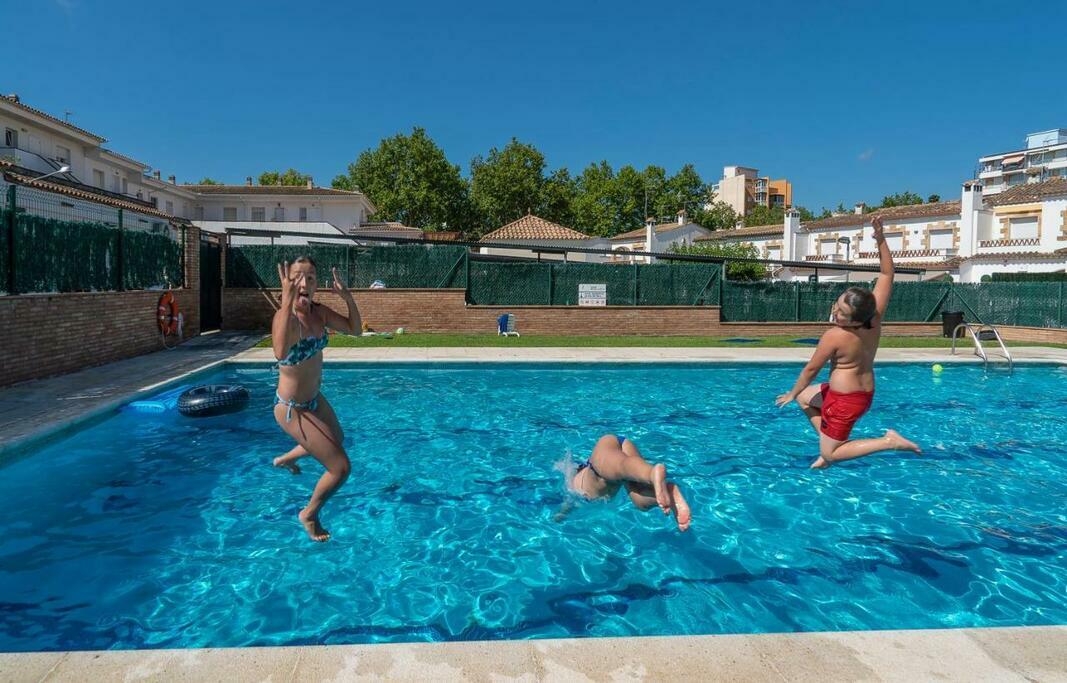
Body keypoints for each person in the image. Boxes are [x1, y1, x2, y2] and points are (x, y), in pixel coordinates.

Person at [775, 215, 921, 468]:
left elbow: (811, 369)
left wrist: (792, 392)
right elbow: (887, 273)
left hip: (844, 401)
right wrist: (880, 238)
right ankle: (830, 442)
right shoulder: (873, 317)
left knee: (831, 454)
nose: (836, 312)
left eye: (842, 313)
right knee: (806, 399)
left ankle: (888, 442)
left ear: (854, 320)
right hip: (861, 395)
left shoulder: (835, 335)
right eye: (838, 304)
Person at [271, 258, 361, 541]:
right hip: (292, 410)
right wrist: (286, 301)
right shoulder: (285, 318)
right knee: (340, 467)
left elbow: (355, 329)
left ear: (316, 285)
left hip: (314, 400)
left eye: (310, 277)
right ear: (288, 283)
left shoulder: (319, 313)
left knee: (338, 438)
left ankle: (285, 459)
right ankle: (309, 514)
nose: (305, 282)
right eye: (298, 277)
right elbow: (279, 351)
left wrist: (347, 298)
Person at [563, 434, 691, 531]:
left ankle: (652, 473)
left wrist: (558, 517)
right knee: (640, 501)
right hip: (620, 456)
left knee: (621, 466)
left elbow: (566, 508)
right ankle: (669, 493)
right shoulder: (575, 485)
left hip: (604, 454)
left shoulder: (573, 488)